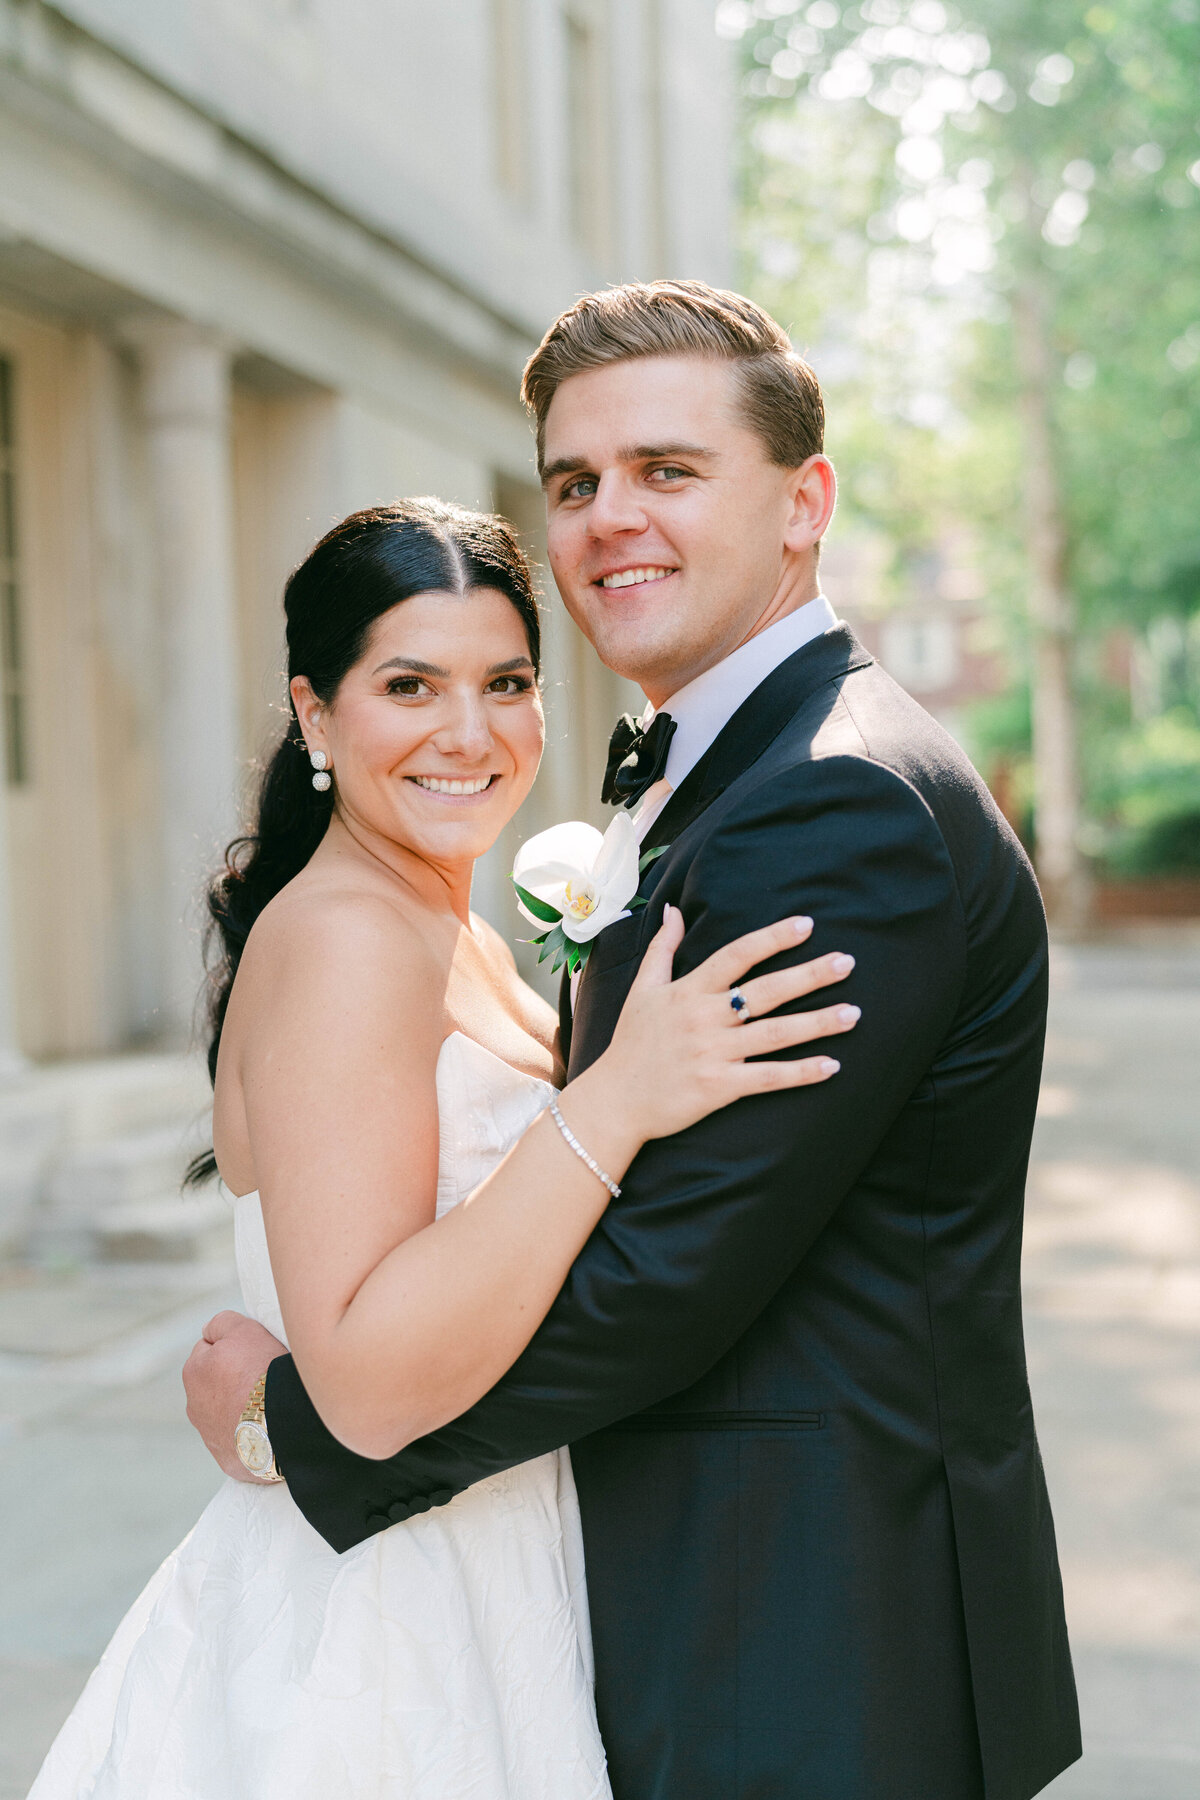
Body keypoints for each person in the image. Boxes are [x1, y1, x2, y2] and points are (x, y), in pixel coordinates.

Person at [185, 283, 1083, 1800]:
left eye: (668, 471)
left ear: (805, 503)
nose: (611, 519)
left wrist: (301, 1436)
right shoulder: (740, 773)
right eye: (575, 484)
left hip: (798, 1627)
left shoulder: (833, 800)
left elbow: (663, 1273)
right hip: (671, 1608)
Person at [28, 497, 858, 1800]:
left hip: (486, 1558)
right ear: (315, 714)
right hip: (380, 1625)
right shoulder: (348, 938)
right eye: (410, 685)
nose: (470, 734)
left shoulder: (449, 929)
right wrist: (617, 1097)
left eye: (507, 682)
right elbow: (358, 1380)